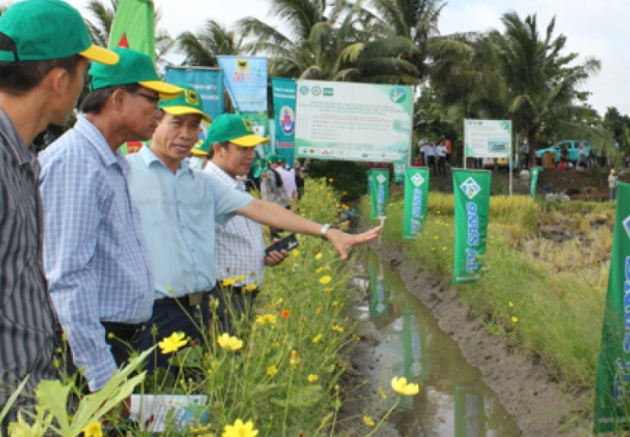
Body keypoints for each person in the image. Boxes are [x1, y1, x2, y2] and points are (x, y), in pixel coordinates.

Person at [129, 90, 383, 369]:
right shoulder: (127, 173)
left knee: (197, 391)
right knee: (151, 396)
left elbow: (261, 210)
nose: (186, 134)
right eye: (176, 123)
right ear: (155, 121)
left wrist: (328, 232)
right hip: (151, 312)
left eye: (193, 126)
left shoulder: (200, 183)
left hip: (198, 310)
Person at [0, 0, 118, 417]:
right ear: (59, 80)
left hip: (30, 404)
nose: (86, 87)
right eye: (85, 74)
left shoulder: (19, 159)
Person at [40, 48, 182, 392]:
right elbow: (68, 278)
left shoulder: (109, 161)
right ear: (118, 99)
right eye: (153, 99)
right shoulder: (76, 162)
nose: (159, 112)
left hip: (117, 340)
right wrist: (102, 378)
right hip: (93, 347)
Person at [203, 114, 287, 331]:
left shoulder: (239, 185)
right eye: (242, 149)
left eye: (252, 149)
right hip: (220, 295)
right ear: (218, 149)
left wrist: (263, 257)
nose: (250, 156)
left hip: (242, 294)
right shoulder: (205, 186)